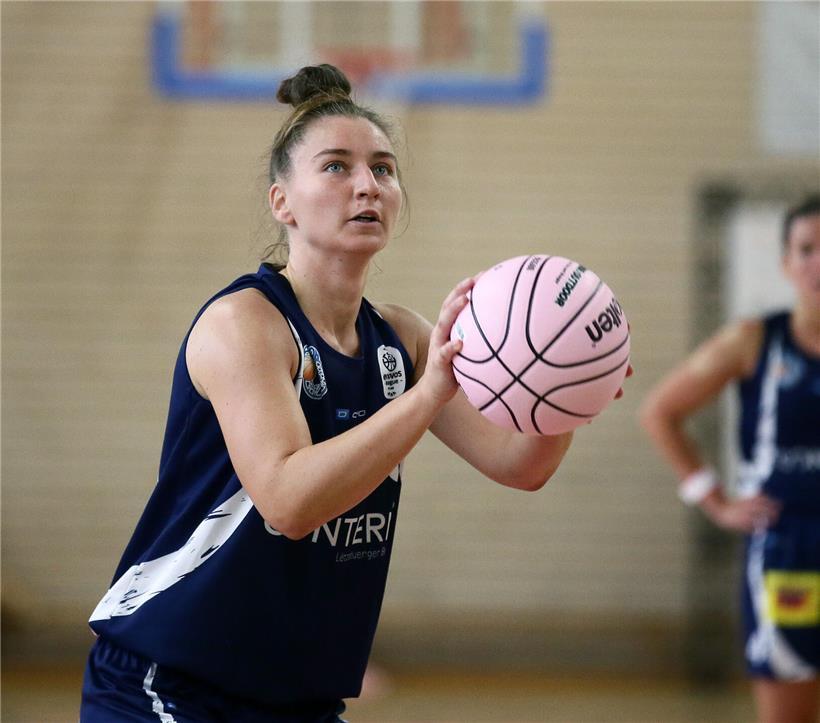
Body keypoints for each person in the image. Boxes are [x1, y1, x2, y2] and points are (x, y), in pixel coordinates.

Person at [80, 64, 583, 722]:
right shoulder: (245, 325)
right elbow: (289, 501)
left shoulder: (401, 338)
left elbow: (521, 463)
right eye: (338, 167)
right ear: (282, 201)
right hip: (169, 682)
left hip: (298, 699)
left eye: (383, 168)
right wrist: (425, 396)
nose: (368, 184)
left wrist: (566, 386)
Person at [640, 194, 820, 723]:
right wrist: (714, 501)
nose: (818, 262)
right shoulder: (754, 340)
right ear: (786, 262)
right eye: (806, 249)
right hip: (786, 549)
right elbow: (659, 413)